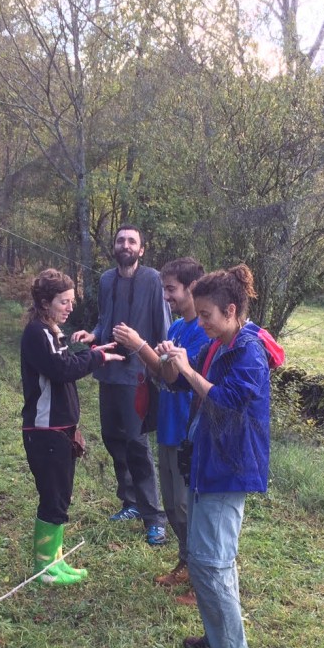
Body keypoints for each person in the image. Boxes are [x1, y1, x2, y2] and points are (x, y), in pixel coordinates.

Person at [156, 264, 284, 648]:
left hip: (229, 467)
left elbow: (227, 401)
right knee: (201, 559)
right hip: (205, 461)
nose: (203, 321)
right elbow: (184, 384)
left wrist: (189, 372)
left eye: (207, 314)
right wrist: (173, 363)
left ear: (230, 310)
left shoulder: (248, 351)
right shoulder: (217, 344)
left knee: (215, 564)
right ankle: (216, 640)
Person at [112, 257, 210, 605]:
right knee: (171, 505)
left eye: (171, 289)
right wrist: (151, 355)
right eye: (164, 289)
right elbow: (164, 375)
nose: (166, 296)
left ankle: (201, 582)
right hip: (167, 426)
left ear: (191, 289)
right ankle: (185, 563)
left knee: (186, 506)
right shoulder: (175, 329)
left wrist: (140, 346)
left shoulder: (203, 330)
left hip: (187, 429)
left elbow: (183, 378)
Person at [21, 268, 124, 586]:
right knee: (52, 498)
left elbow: (66, 362)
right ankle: (44, 570)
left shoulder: (52, 332)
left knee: (61, 498)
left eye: (71, 301)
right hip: (45, 431)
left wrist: (92, 353)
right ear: (45, 302)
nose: (69, 307)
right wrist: (97, 359)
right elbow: (61, 369)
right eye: (64, 302)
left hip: (59, 430)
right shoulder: (38, 332)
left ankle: (56, 561)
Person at [71, 225, 172, 545]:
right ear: (114, 247)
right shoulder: (104, 280)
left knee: (137, 443)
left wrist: (161, 365)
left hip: (138, 376)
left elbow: (163, 325)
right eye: (120, 240)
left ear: (142, 249)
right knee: (114, 438)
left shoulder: (153, 280)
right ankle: (130, 502)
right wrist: (93, 335)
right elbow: (105, 319)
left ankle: (154, 516)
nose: (125, 245)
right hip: (108, 372)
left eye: (132, 241)